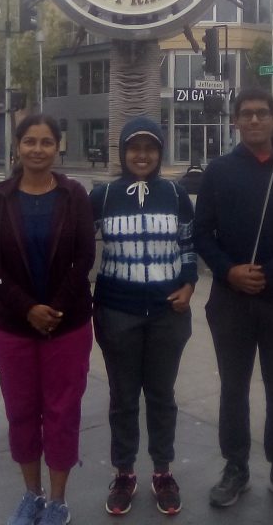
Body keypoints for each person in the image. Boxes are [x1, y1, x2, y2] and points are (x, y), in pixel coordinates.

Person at [193, 87, 273, 512]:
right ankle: (235, 467)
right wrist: (230, 271)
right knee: (233, 389)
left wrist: (270, 274)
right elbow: (201, 234)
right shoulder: (218, 172)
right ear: (235, 122)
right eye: (246, 114)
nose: (253, 121)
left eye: (261, 113)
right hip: (230, 301)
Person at [0, 114, 96, 525]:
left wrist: (54, 310)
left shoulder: (73, 194)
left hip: (69, 326)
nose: (38, 149)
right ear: (17, 147)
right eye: (30, 141)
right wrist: (27, 308)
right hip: (12, 327)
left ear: (57, 148)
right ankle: (32, 495)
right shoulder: (0, 198)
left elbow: (84, 258)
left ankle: (58, 502)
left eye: (46, 142)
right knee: (22, 411)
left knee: (63, 411)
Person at [90, 117, 197, 517]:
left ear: (160, 153)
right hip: (117, 313)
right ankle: (124, 472)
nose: (141, 155)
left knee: (162, 396)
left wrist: (188, 285)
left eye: (150, 148)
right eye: (134, 147)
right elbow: (77, 245)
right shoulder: (102, 196)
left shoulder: (174, 193)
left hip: (168, 314)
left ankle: (163, 471)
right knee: (122, 399)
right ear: (122, 152)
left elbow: (188, 245)